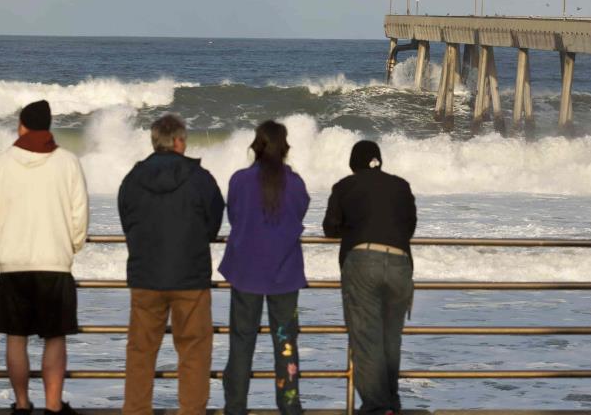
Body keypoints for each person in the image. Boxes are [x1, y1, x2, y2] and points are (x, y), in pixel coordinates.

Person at [0, 99, 88, 415]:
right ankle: (54, 407)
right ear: (49, 126)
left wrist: (2, 246)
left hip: (14, 263)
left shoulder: (4, 162)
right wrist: (70, 248)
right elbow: (79, 216)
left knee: (16, 338)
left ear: (22, 126)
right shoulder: (68, 162)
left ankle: (22, 404)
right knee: (54, 339)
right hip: (54, 263)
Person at [118, 114, 225, 415]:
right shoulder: (199, 178)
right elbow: (214, 221)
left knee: (141, 352)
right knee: (194, 351)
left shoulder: (133, 178)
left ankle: (136, 410)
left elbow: (127, 219)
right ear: (179, 141)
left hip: (145, 275)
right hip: (190, 276)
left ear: (155, 141)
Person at [219, 120, 309, 415]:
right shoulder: (294, 183)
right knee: (285, 342)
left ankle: (235, 406)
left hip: (245, 271)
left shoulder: (239, 180)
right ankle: (290, 405)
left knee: (242, 342)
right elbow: (301, 209)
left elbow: (234, 216)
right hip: (285, 274)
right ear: (285, 147)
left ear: (256, 146)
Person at [322, 141, 416, 415]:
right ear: (379, 161)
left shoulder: (345, 186)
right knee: (391, 338)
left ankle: (377, 407)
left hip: (363, 261)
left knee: (366, 339)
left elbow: (330, 228)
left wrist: (354, 227)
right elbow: (409, 226)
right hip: (400, 262)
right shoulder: (401, 186)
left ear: (354, 164)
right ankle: (391, 402)